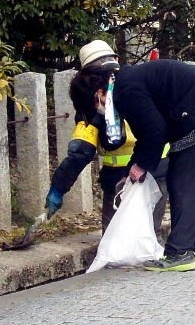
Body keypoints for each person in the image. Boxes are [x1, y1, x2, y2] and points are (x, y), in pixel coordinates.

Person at [70, 59, 195, 272]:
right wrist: (133, 169)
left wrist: (140, 166)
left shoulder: (124, 90)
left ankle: (179, 252)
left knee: (184, 181)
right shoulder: (127, 81)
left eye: (93, 105)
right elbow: (147, 135)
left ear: (98, 93)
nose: (98, 110)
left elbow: (155, 131)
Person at [45, 40, 169, 241]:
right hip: (158, 167)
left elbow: (81, 151)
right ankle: (153, 264)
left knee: (113, 240)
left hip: (118, 177)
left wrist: (58, 188)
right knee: (150, 236)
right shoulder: (140, 83)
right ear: (117, 60)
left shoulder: (93, 103)